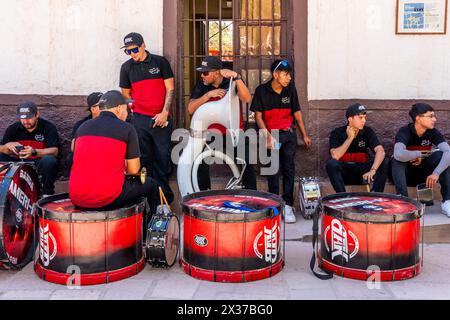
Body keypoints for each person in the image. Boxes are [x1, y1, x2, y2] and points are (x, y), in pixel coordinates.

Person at [69, 90, 158, 215]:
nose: (127, 113)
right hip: (107, 199)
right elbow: (133, 170)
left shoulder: (83, 127)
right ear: (119, 108)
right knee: (151, 185)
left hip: (76, 198)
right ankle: (150, 228)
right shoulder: (127, 129)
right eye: (126, 109)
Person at [250, 59, 312, 223]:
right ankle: (274, 205)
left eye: (289, 75)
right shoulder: (261, 91)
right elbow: (258, 116)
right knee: (272, 170)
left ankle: (288, 205)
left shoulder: (290, 90)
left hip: (288, 135)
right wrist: (267, 136)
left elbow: (297, 113)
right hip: (271, 135)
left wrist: (304, 134)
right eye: (286, 74)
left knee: (289, 169)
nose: (289, 78)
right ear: (275, 75)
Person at [119, 32, 175, 205]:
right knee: (144, 159)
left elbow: (170, 89)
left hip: (161, 117)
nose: (132, 54)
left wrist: (165, 112)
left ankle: (165, 201)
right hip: (140, 120)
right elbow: (126, 94)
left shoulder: (160, 62)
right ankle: (149, 201)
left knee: (163, 159)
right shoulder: (126, 67)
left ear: (143, 45)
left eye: (134, 49)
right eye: (128, 51)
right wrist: (134, 113)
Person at [188, 56, 256, 191]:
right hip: (211, 134)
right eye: (201, 72)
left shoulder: (231, 81)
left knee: (247, 163)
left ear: (216, 73)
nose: (202, 76)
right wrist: (207, 96)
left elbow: (247, 98)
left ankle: (251, 197)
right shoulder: (202, 85)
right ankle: (204, 195)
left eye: (205, 73)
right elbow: (190, 108)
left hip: (233, 131)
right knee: (200, 162)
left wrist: (237, 77)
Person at [391, 103, 450, 216]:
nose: (434, 119)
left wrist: (436, 173)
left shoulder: (433, 132)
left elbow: (448, 152)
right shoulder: (405, 131)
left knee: (443, 156)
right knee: (395, 159)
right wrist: (417, 154)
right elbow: (398, 154)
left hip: (426, 177)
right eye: (430, 116)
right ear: (418, 118)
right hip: (406, 175)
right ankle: (403, 201)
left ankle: (447, 201)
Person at [326, 103, 388, 195]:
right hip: (344, 174)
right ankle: (343, 197)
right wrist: (350, 138)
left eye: (364, 117)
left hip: (363, 174)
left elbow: (380, 151)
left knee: (384, 161)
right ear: (350, 119)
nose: (364, 121)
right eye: (360, 117)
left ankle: (376, 196)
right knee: (331, 163)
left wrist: (373, 170)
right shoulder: (337, 133)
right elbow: (335, 155)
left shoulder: (367, 132)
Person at [0, 102, 60, 196]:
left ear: (37, 114)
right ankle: (4, 191)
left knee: (50, 161)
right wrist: (7, 145)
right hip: (17, 163)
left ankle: (47, 194)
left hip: (37, 163)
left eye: (29, 118)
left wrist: (34, 152)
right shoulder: (13, 128)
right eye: (22, 118)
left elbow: (55, 151)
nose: (25, 121)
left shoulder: (48, 127)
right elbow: (2, 149)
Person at [65, 92, 102, 174]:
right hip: (87, 154)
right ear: (93, 109)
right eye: (102, 105)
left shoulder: (112, 123)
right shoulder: (81, 124)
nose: (106, 108)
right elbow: (73, 148)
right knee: (71, 158)